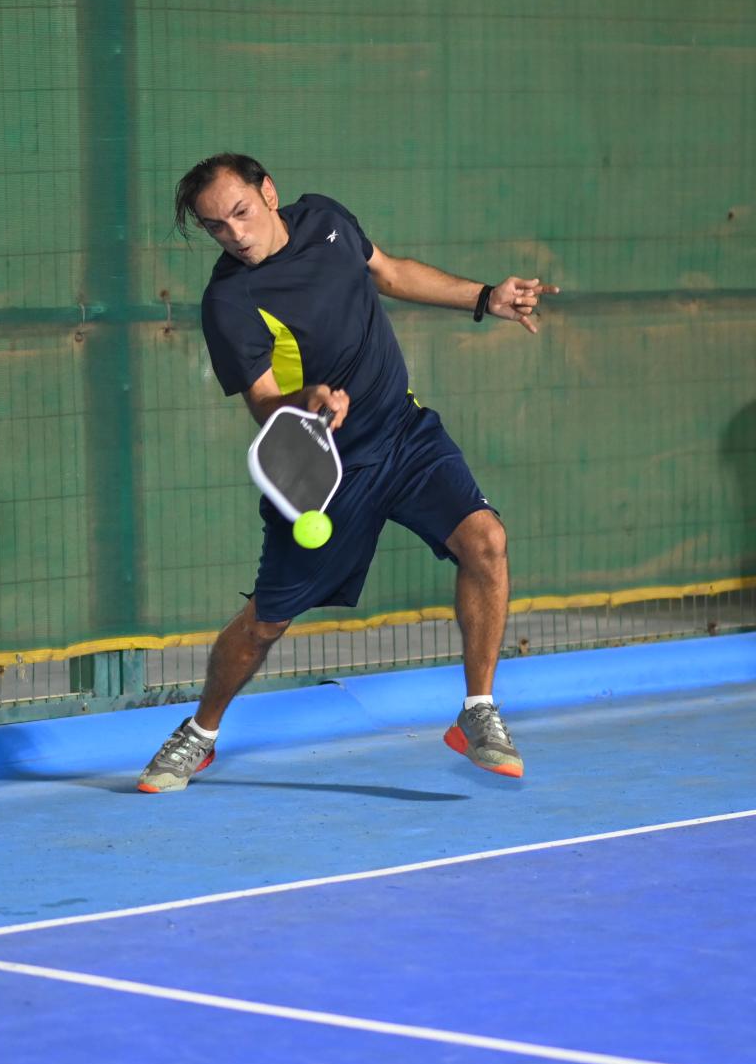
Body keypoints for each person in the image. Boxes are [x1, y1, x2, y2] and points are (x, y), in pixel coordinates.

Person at [137, 153, 557, 792]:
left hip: (403, 434)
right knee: (265, 623)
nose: (235, 234)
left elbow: (389, 272)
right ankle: (200, 732)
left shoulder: (326, 221)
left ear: (268, 192)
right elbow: (263, 403)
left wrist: (482, 297)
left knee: (486, 541)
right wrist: (305, 402)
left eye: (241, 213)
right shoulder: (229, 300)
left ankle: (477, 711)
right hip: (322, 472)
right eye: (217, 227)